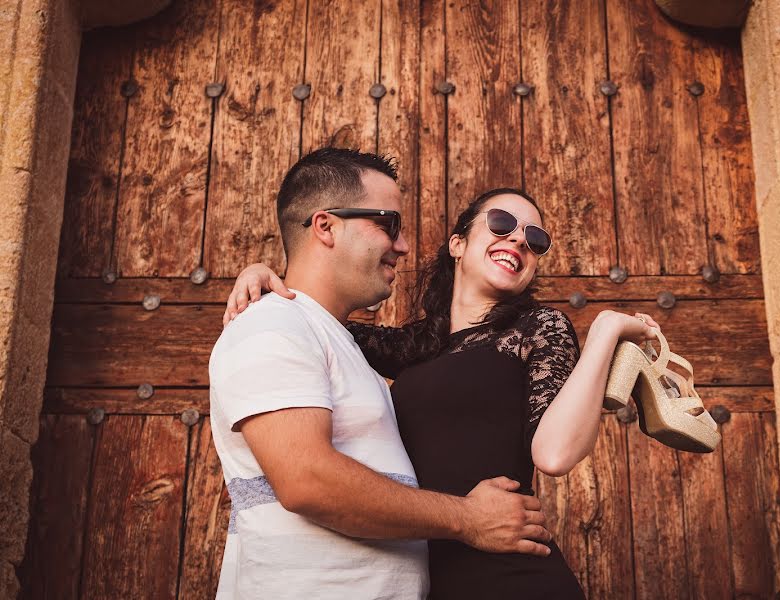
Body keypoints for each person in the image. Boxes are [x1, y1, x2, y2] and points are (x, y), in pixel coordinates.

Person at [227, 167, 670, 599]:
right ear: (458, 244)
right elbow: (312, 317)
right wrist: (264, 277)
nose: (518, 239)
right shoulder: (412, 346)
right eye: (501, 224)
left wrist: (604, 333)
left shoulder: (539, 328)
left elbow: (554, 455)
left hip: (509, 574)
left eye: (535, 240)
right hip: (428, 574)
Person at [208, 148, 555, 600]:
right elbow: (308, 481)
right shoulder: (273, 323)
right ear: (326, 226)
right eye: (388, 224)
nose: (404, 245)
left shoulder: (344, 343)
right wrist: (468, 518)